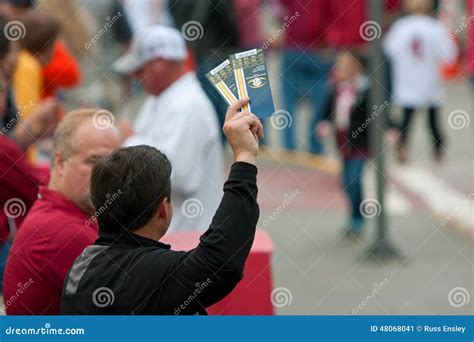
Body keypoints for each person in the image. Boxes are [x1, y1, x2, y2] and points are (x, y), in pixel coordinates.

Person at [61, 98, 262, 315]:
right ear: (163, 209)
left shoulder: (82, 267)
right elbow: (219, 261)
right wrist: (244, 157)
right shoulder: (149, 274)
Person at [3, 109, 121, 314]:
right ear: (59, 163)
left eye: (116, 163)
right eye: (94, 161)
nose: (108, 173)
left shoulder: (63, 215)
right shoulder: (66, 232)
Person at [113, 25, 223, 232]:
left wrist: (129, 140)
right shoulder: (162, 97)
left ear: (160, 64)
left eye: (139, 69)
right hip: (173, 235)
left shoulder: (188, 105)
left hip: (187, 236)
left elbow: (182, 176)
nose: (136, 76)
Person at [383, 0, 457, 163]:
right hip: (429, 80)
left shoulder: (400, 27)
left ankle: (403, 147)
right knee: (432, 119)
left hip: (407, 80)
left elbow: (388, 50)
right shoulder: (435, 27)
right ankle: (438, 150)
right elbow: (449, 54)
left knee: (407, 118)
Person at [318, 52, 371, 238]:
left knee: (354, 180)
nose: (340, 69)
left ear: (357, 67)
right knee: (345, 182)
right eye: (339, 65)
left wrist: (391, 129)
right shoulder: (336, 89)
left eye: (345, 65)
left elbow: (380, 111)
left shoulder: (366, 89)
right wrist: (325, 123)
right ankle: (354, 215)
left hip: (361, 142)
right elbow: (327, 112)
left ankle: (358, 218)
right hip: (342, 142)